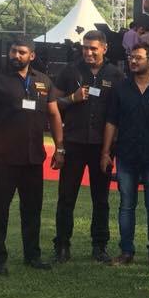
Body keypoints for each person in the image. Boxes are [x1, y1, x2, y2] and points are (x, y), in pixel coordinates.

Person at [0, 38, 64, 275]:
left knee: (32, 210)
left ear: (31, 55)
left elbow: (54, 115)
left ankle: (32, 255)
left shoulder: (43, 80)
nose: (16, 55)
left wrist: (60, 148)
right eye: (13, 51)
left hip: (32, 158)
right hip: (3, 157)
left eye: (22, 52)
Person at [101, 43, 149, 267]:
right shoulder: (120, 89)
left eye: (138, 58)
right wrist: (105, 152)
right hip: (126, 155)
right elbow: (111, 122)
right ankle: (126, 252)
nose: (133, 61)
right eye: (131, 57)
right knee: (126, 205)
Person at [52, 29, 124, 263]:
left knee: (101, 199)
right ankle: (62, 245)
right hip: (73, 143)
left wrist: (110, 148)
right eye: (85, 47)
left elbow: (119, 114)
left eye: (93, 48)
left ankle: (99, 246)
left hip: (102, 147)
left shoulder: (116, 75)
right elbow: (52, 105)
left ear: (105, 48)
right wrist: (71, 99)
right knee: (66, 197)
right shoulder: (70, 70)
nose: (88, 52)